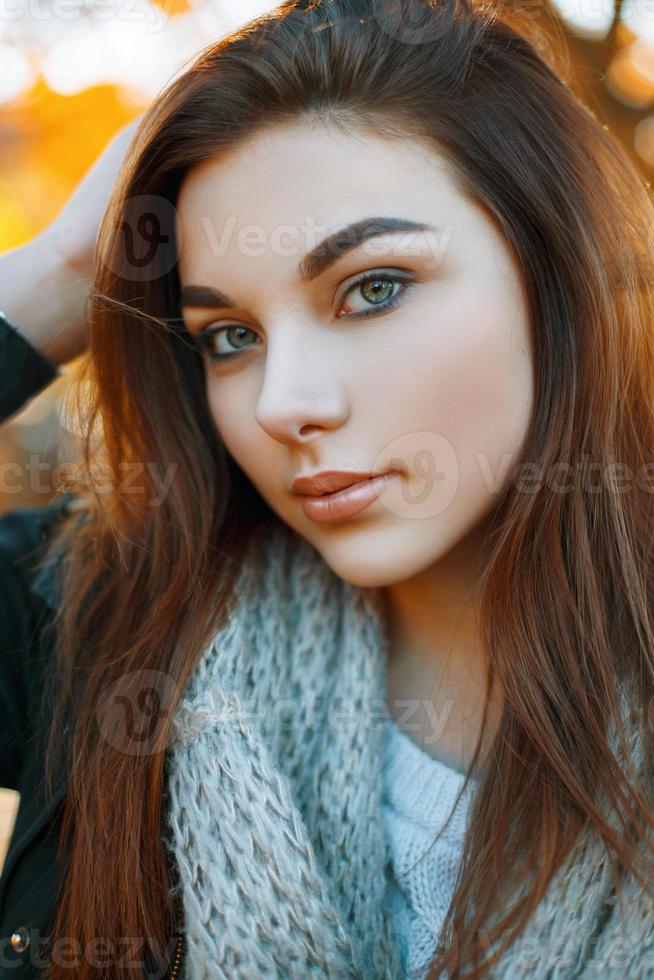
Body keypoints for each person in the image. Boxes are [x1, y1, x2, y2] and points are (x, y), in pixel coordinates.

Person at [1, 0, 654, 977]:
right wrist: (52, 277)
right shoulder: (103, 625)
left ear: (559, 272)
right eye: (229, 336)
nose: (281, 402)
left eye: (372, 287)